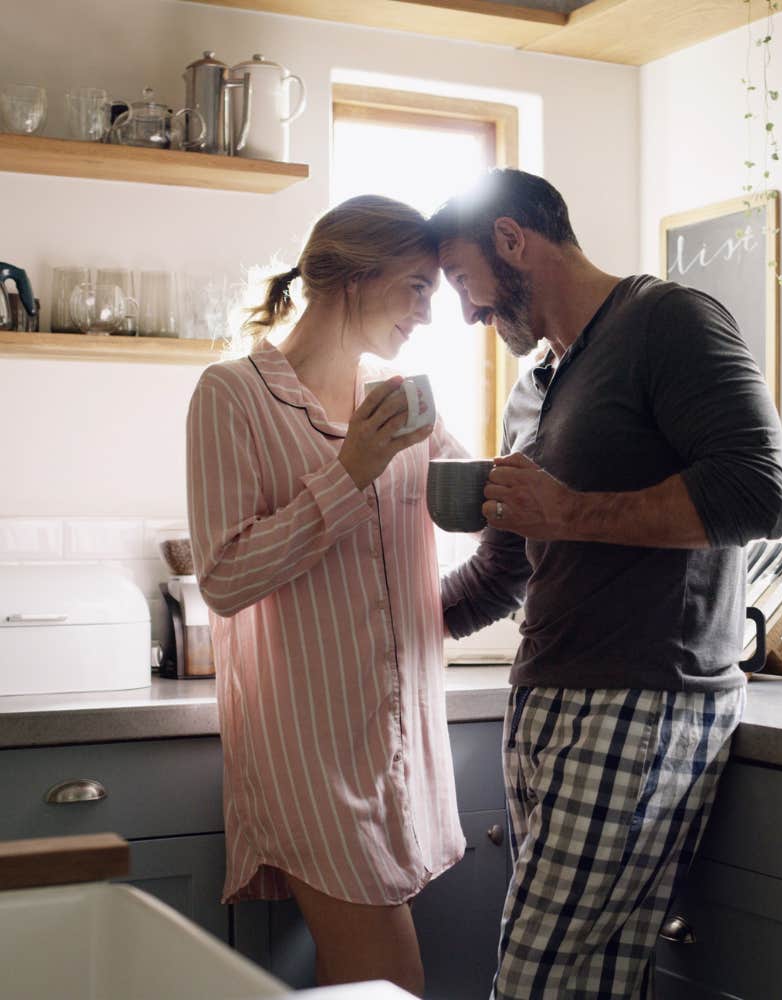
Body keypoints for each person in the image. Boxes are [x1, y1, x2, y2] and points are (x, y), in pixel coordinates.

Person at [429, 169, 782, 999]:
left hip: (643, 701)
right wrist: (388, 625)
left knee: (535, 982)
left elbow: (759, 493)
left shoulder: (668, 321)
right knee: (586, 981)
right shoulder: (535, 388)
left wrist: (571, 512)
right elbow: (508, 564)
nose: (468, 312)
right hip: (548, 702)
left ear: (513, 239)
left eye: (462, 282)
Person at [185, 195, 467, 996]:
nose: (425, 313)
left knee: (370, 986)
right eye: (415, 287)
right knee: (393, 984)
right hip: (310, 752)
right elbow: (226, 577)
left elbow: (473, 501)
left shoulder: (401, 394)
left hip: (403, 746)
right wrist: (351, 474)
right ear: (354, 276)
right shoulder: (231, 396)